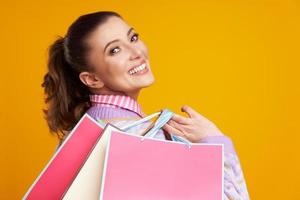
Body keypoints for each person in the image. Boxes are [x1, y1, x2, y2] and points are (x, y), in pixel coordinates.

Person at [41, 11, 250, 199]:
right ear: (92, 79)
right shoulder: (143, 136)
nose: (137, 53)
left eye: (133, 38)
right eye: (114, 50)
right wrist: (216, 140)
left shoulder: (76, 136)